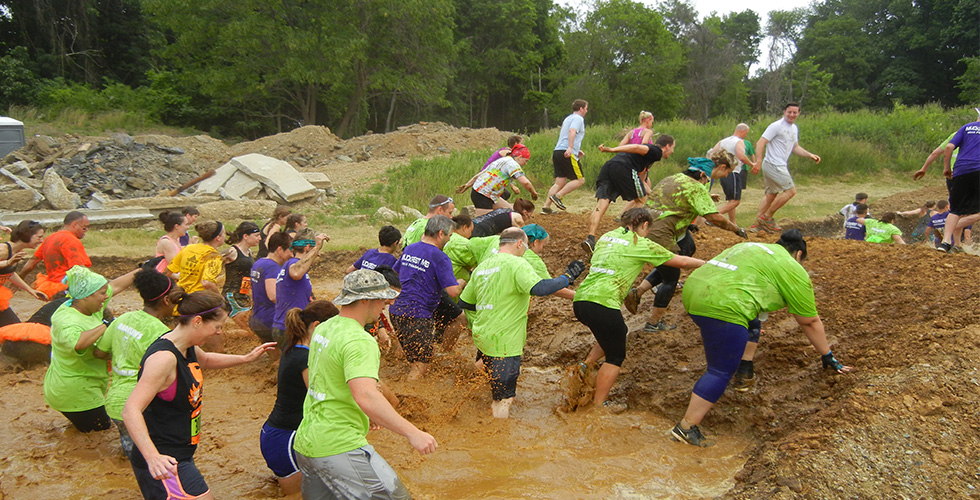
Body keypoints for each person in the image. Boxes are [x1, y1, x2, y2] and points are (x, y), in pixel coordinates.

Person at [673, 230, 853, 447]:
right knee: (719, 371)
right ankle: (686, 427)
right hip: (723, 303)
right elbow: (810, 321)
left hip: (694, 289)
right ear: (798, 255)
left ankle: (745, 369)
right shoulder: (793, 268)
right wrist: (828, 355)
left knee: (753, 320)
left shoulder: (752, 247)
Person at [293, 269, 436, 499]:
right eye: (383, 298)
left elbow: (326, 380)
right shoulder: (360, 340)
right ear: (367, 300)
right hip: (339, 446)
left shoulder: (323, 328)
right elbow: (367, 395)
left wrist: (363, 409)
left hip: (307, 443)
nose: (387, 303)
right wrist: (413, 433)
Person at [122, 291, 275, 499]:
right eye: (217, 327)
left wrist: (245, 358)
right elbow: (131, 410)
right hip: (165, 459)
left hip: (180, 452)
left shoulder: (186, 347)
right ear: (197, 321)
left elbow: (206, 361)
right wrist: (153, 458)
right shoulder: (164, 359)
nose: (220, 333)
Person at [573, 208, 705, 412]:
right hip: (603, 303)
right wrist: (710, 264)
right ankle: (599, 405)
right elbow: (682, 262)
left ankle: (585, 366)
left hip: (581, 301)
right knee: (616, 356)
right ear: (644, 225)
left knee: (614, 333)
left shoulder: (607, 236)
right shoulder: (640, 243)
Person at [459, 228, 584, 418]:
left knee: (486, 367)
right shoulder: (518, 263)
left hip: (483, 335)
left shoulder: (482, 267)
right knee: (504, 399)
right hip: (505, 342)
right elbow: (540, 288)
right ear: (519, 243)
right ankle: (498, 438)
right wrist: (567, 277)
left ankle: (459, 391)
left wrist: (492, 309)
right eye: (525, 246)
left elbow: (465, 302)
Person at [627, 152, 748, 332]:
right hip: (661, 231)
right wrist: (736, 229)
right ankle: (653, 323)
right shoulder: (696, 187)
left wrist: (707, 198)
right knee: (671, 276)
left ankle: (638, 292)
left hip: (651, 224)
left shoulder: (675, 178)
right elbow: (714, 217)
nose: (727, 176)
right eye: (728, 171)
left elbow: (676, 197)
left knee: (687, 246)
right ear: (720, 168)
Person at [98, 267, 183, 458]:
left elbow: (99, 352)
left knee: (131, 453)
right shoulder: (162, 334)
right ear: (166, 300)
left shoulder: (122, 319)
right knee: (152, 458)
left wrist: (124, 357)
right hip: (142, 408)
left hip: (114, 403)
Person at [43, 265, 137, 432]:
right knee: (101, 432)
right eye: (102, 293)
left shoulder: (88, 306)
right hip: (75, 392)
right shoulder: (66, 319)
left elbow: (115, 286)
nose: (105, 296)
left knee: (87, 429)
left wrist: (142, 270)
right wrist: (108, 324)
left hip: (85, 384)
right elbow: (78, 343)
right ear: (87, 296)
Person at [260, 300, 338, 496]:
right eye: (334, 328)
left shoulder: (293, 347)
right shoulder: (305, 359)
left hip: (277, 435)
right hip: (286, 441)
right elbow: (321, 398)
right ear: (318, 326)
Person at [389, 216, 464, 380]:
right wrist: (462, 281)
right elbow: (453, 292)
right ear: (441, 233)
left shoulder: (410, 248)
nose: (449, 239)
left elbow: (396, 273)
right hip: (417, 316)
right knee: (420, 366)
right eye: (449, 236)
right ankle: (407, 400)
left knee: (415, 360)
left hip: (396, 311)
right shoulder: (440, 257)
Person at [582, 134, 677, 253]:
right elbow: (637, 147)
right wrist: (612, 149)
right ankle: (625, 236)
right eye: (673, 148)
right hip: (624, 167)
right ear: (667, 146)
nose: (672, 151)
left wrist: (654, 195)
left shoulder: (645, 161)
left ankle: (590, 238)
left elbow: (641, 182)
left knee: (601, 205)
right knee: (640, 201)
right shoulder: (656, 151)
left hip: (609, 167)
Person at [750, 103, 822, 233]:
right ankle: (766, 217)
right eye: (789, 112)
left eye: (795, 112)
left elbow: (795, 147)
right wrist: (758, 162)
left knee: (771, 195)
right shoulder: (776, 126)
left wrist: (809, 155)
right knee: (790, 191)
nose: (792, 115)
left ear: (798, 113)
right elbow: (761, 142)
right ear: (784, 112)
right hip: (773, 164)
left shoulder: (794, 128)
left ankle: (756, 225)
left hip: (780, 164)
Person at [271, 229, 328, 348]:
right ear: (307, 248)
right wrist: (317, 247)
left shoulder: (288, 265)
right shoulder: (293, 264)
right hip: (291, 328)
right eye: (314, 251)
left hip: (283, 326)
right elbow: (296, 273)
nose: (317, 255)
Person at [20, 211, 92, 299]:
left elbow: (31, 263)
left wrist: (20, 279)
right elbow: (80, 269)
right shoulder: (71, 240)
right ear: (75, 225)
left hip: (51, 288)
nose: (86, 231)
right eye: (84, 228)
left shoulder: (50, 238)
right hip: (68, 288)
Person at [936, 118, 980, 253]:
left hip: (961, 171)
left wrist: (946, 167)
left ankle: (946, 242)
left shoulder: (966, 127)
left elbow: (949, 147)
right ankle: (953, 229)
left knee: (955, 209)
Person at [457, 143, 539, 215]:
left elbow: (480, 174)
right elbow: (525, 183)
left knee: (511, 212)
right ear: (520, 157)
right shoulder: (513, 164)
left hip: (487, 193)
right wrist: (533, 193)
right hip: (482, 195)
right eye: (526, 161)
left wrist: (467, 185)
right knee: (485, 223)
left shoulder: (502, 160)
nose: (526, 163)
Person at [542, 99, 589, 213]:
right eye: (586, 108)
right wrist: (571, 148)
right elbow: (572, 131)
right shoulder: (578, 118)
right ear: (581, 108)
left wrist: (576, 149)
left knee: (560, 182)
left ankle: (546, 207)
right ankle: (558, 196)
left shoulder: (568, 118)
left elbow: (565, 135)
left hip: (558, 151)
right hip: (567, 152)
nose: (587, 110)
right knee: (580, 180)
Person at [0, 220, 47, 327]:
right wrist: (8, 262)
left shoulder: (16, 251)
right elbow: (7, 265)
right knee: (13, 328)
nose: (41, 241)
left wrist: (31, 291)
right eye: (39, 237)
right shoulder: (3, 250)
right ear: (27, 235)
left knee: (13, 327)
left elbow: (9, 273)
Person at [249, 232, 293, 346]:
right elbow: (273, 296)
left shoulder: (259, 262)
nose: (291, 255)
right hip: (271, 320)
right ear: (279, 250)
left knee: (274, 358)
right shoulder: (272, 267)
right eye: (289, 250)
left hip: (257, 318)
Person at [709, 123, 756, 225]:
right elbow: (741, 156)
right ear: (742, 131)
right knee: (735, 201)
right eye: (746, 133)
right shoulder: (739, 141)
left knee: (731, 199)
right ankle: (713, 217)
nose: (746, 136)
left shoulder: (723, 141)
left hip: (721, 172)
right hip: (733, 172)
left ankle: (733, 222)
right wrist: (752, 164)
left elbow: (712, 153)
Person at [222, 222, 261, 331]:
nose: (260, 238)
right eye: (256, 235)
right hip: (232, 295)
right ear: (245, 236)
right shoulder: (232, 251)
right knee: (250, 330)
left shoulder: (248, 251)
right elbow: (214, 258)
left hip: (243, 295)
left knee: (252, 328)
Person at [167, 221, 225, 294]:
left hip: (180, 296)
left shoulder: (189, 248)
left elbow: (167, 272)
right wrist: (219, 297)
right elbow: (207, 283)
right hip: (198, 299)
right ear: (218, 238)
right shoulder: (214, 256)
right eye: (224, 234)